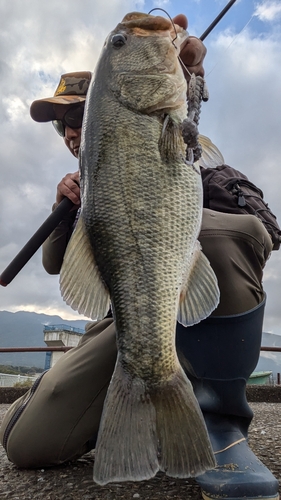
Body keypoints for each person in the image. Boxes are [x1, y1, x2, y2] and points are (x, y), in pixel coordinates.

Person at [0, 15, 279, 500]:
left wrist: (191, 76)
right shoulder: (82, 196)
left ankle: (222, 426)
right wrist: (66, 211)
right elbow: (54, 266)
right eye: (60, 126)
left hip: (195, 316)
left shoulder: (184, 152)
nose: (69, 132)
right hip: (128, 324)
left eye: (76, 117)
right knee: (27, 443)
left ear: (103, 112)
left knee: (227, 233)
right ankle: (136, 411)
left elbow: (181, 119)